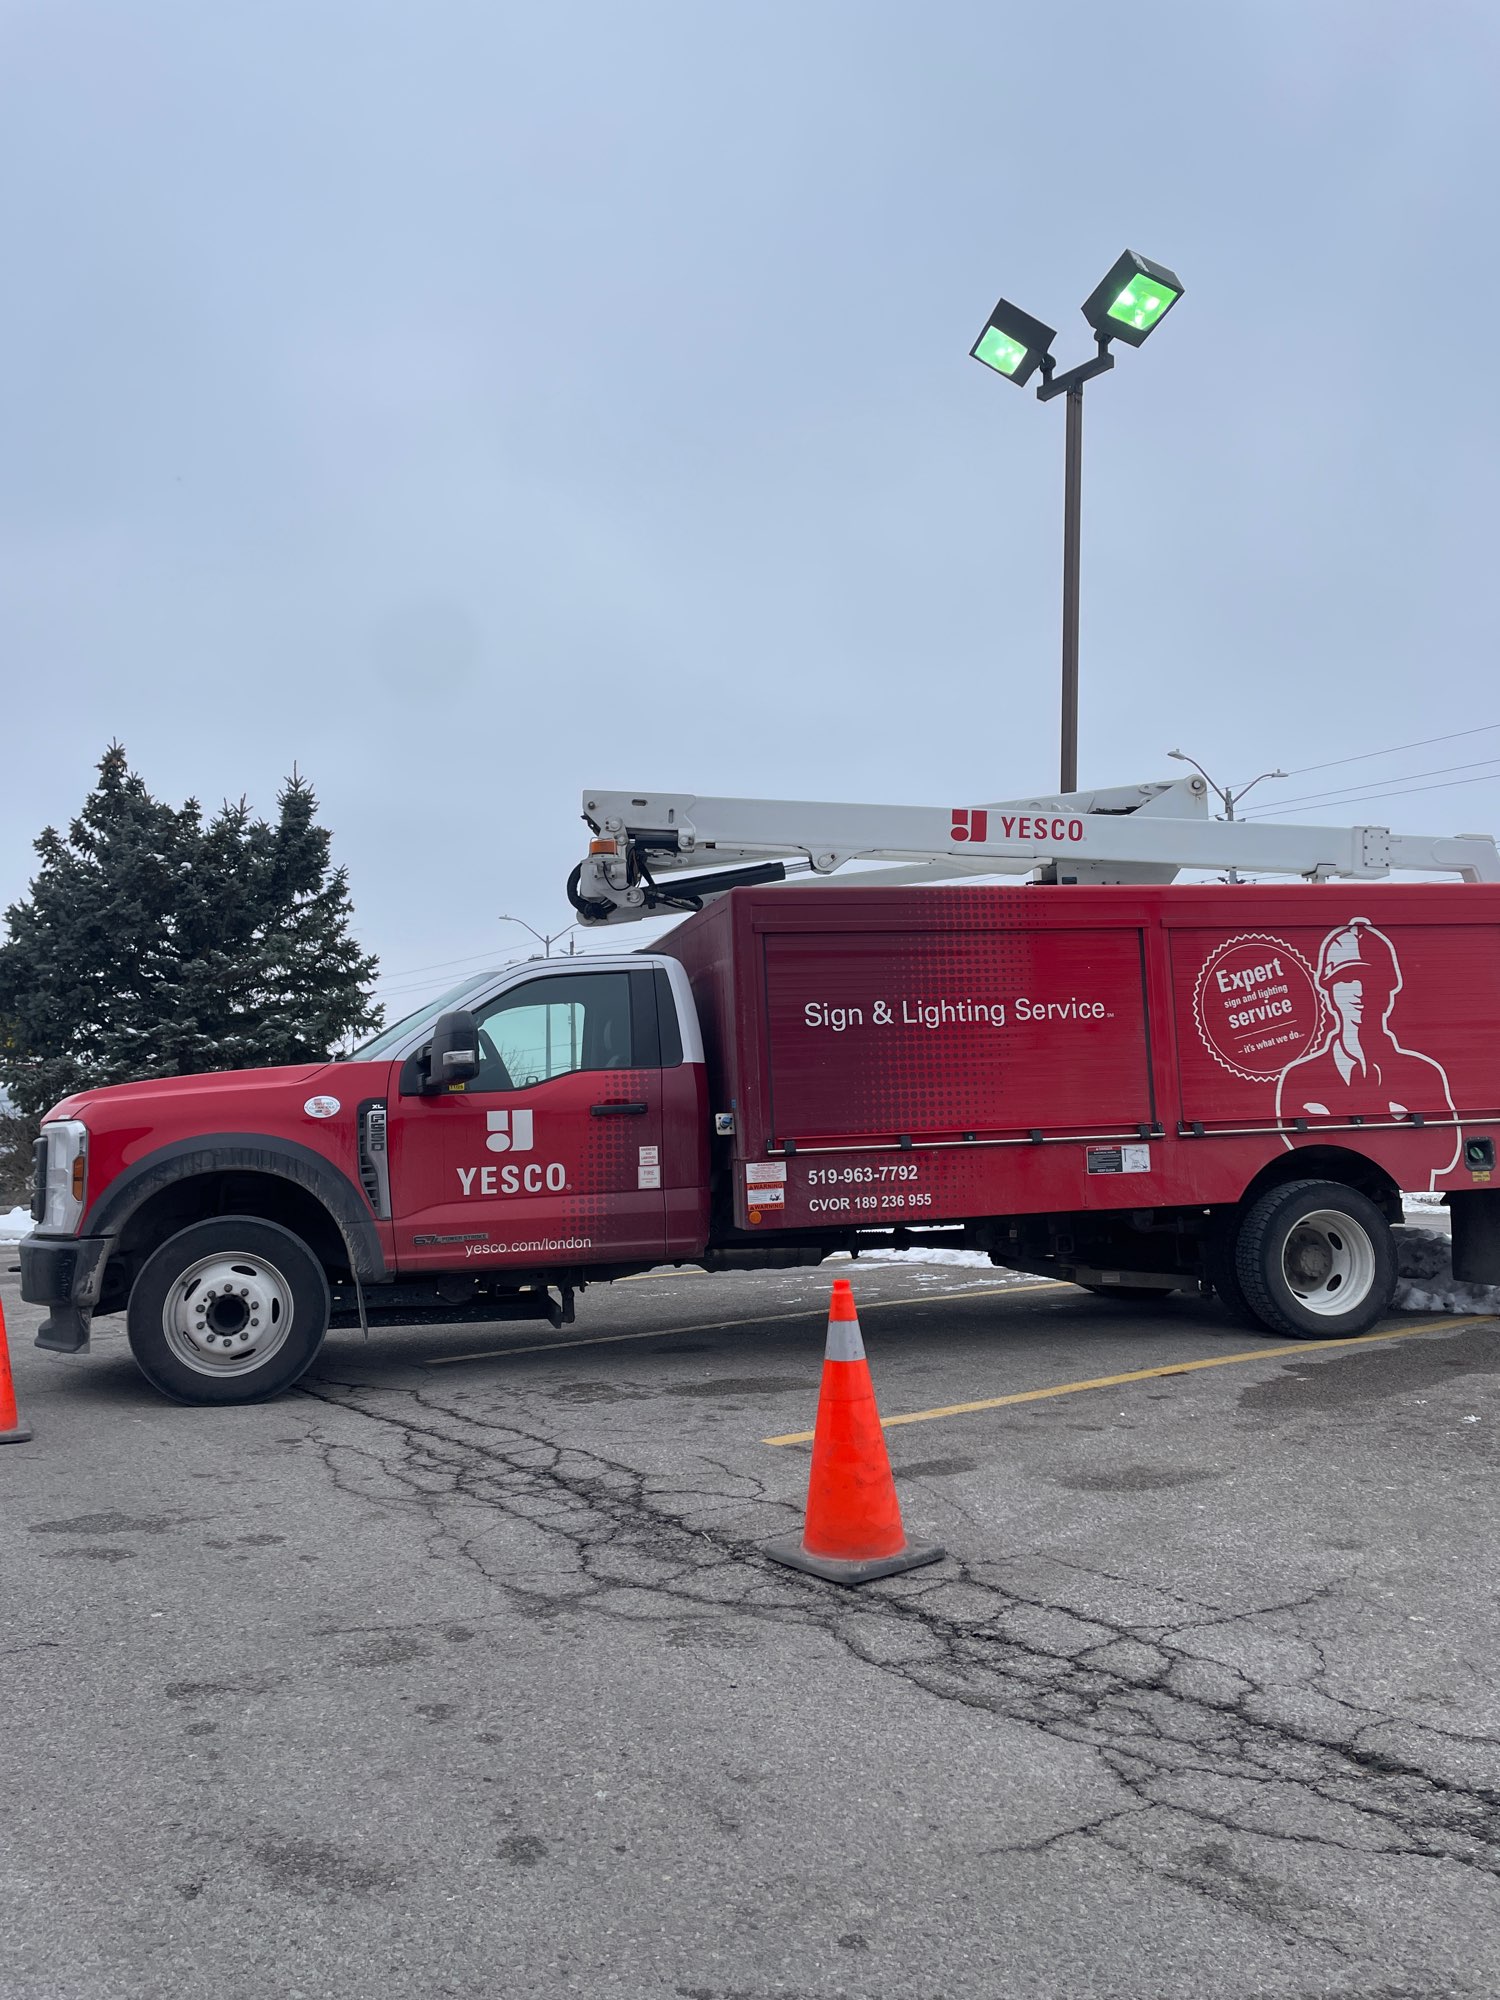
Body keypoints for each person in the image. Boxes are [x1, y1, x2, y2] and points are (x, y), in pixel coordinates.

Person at [1275, 919, 1458, 1188]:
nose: (1359, 991)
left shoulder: (1424, 1073)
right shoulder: (1297, 1078)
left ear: (1390, 990)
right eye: (1346, 979)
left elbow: (1444, 1153)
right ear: (1328, 993)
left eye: (1370, 978)